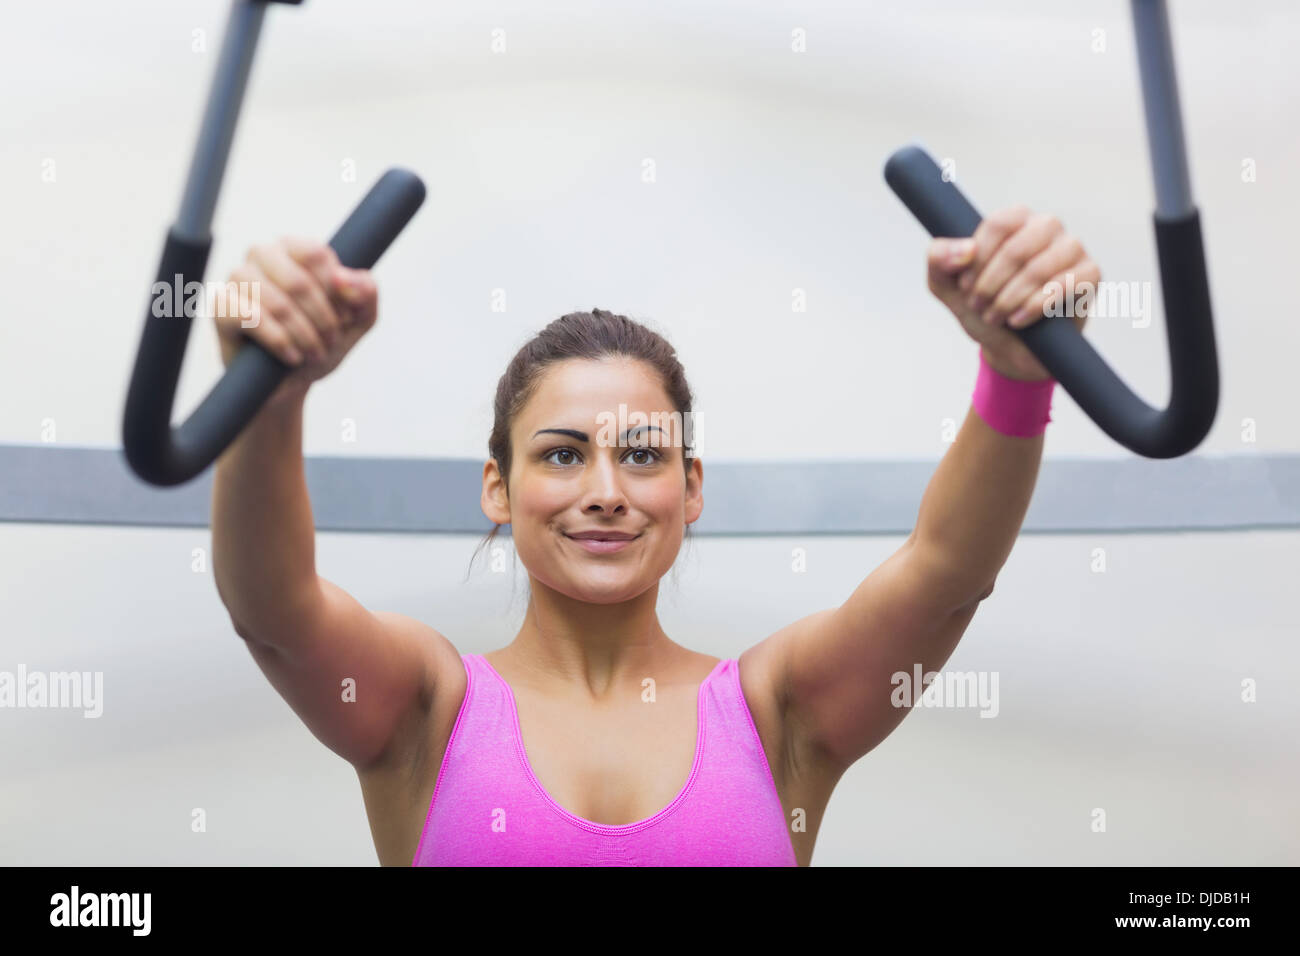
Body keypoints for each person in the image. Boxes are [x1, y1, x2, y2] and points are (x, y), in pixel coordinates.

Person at [211, 207, 1097, 865]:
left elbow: (946, 575)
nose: (604, 492)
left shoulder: (775, 710)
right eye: (561, 456)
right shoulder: (426, 708)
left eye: (642, 455)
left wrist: (1016, 376)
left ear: (691, 487)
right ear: (498, 487)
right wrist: (271, 397)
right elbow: (274, 612)